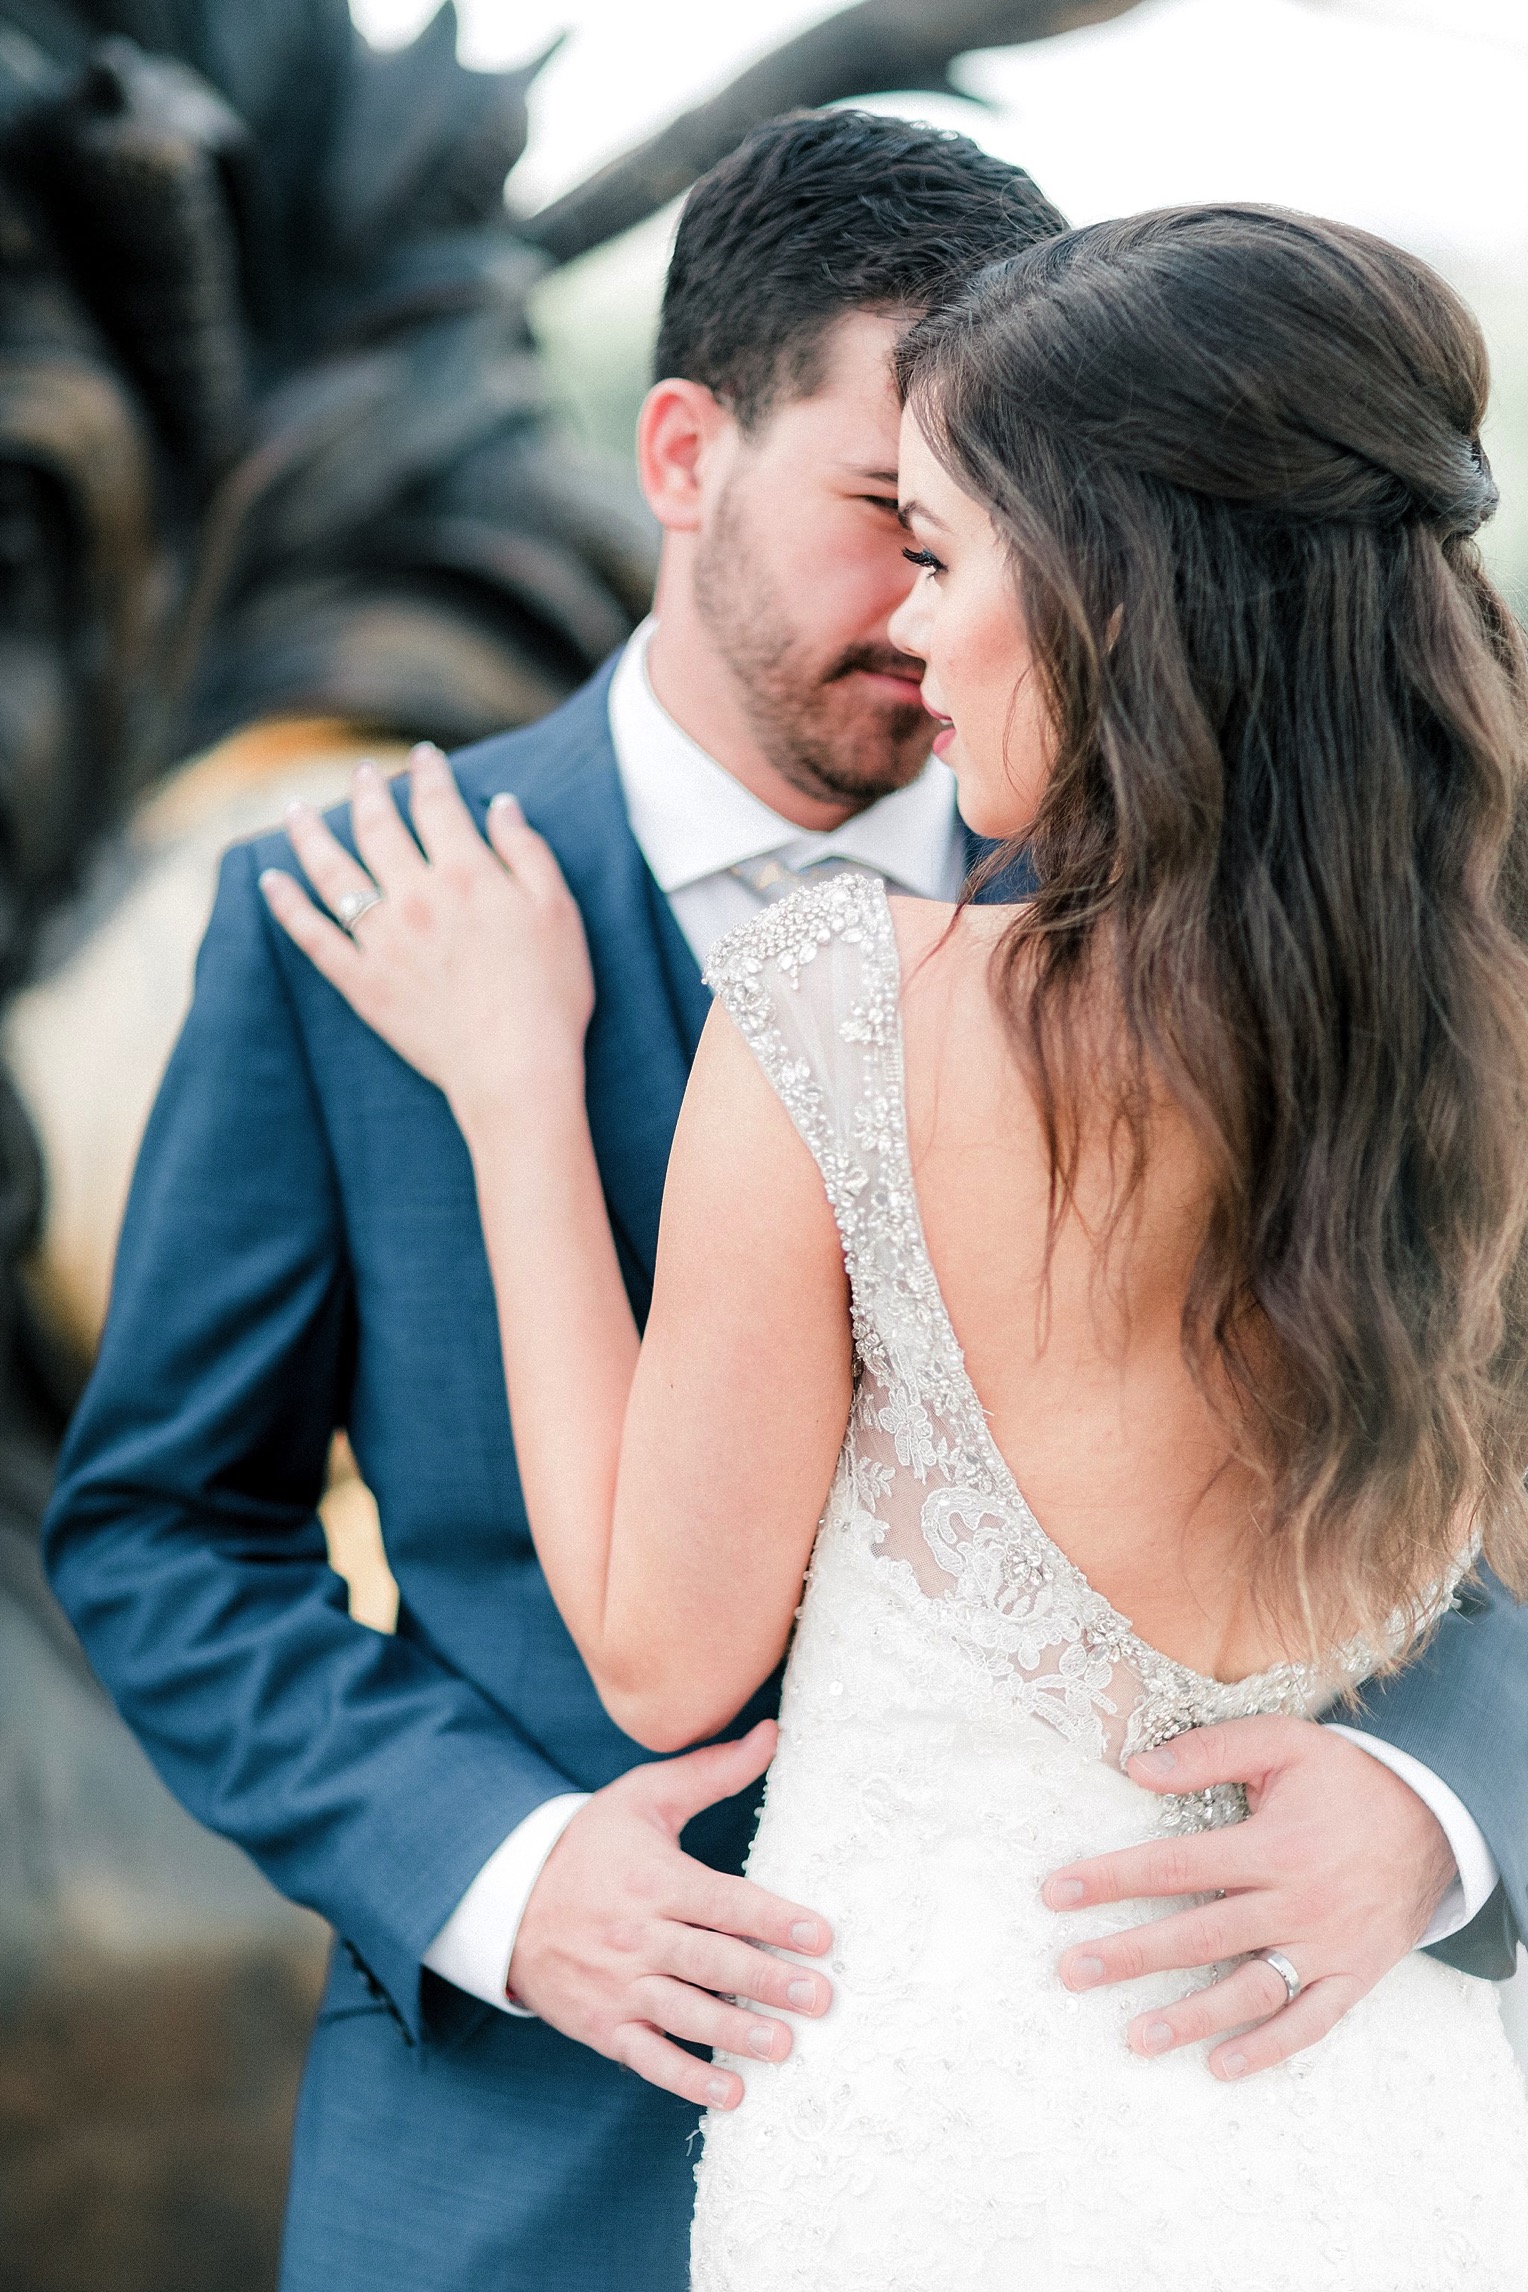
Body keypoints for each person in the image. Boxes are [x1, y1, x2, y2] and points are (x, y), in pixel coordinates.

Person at [43, 103, 1519, 2282]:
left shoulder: (1292, 937)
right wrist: (496, 1869)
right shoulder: (348, 910)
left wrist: (1436, 1817)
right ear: (676, 456)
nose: (917, 619)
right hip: (525, 2152)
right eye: (872, 516)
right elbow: (166, 1525)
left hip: (1187, 2094)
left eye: (956, 534)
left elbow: (1416, 1437)